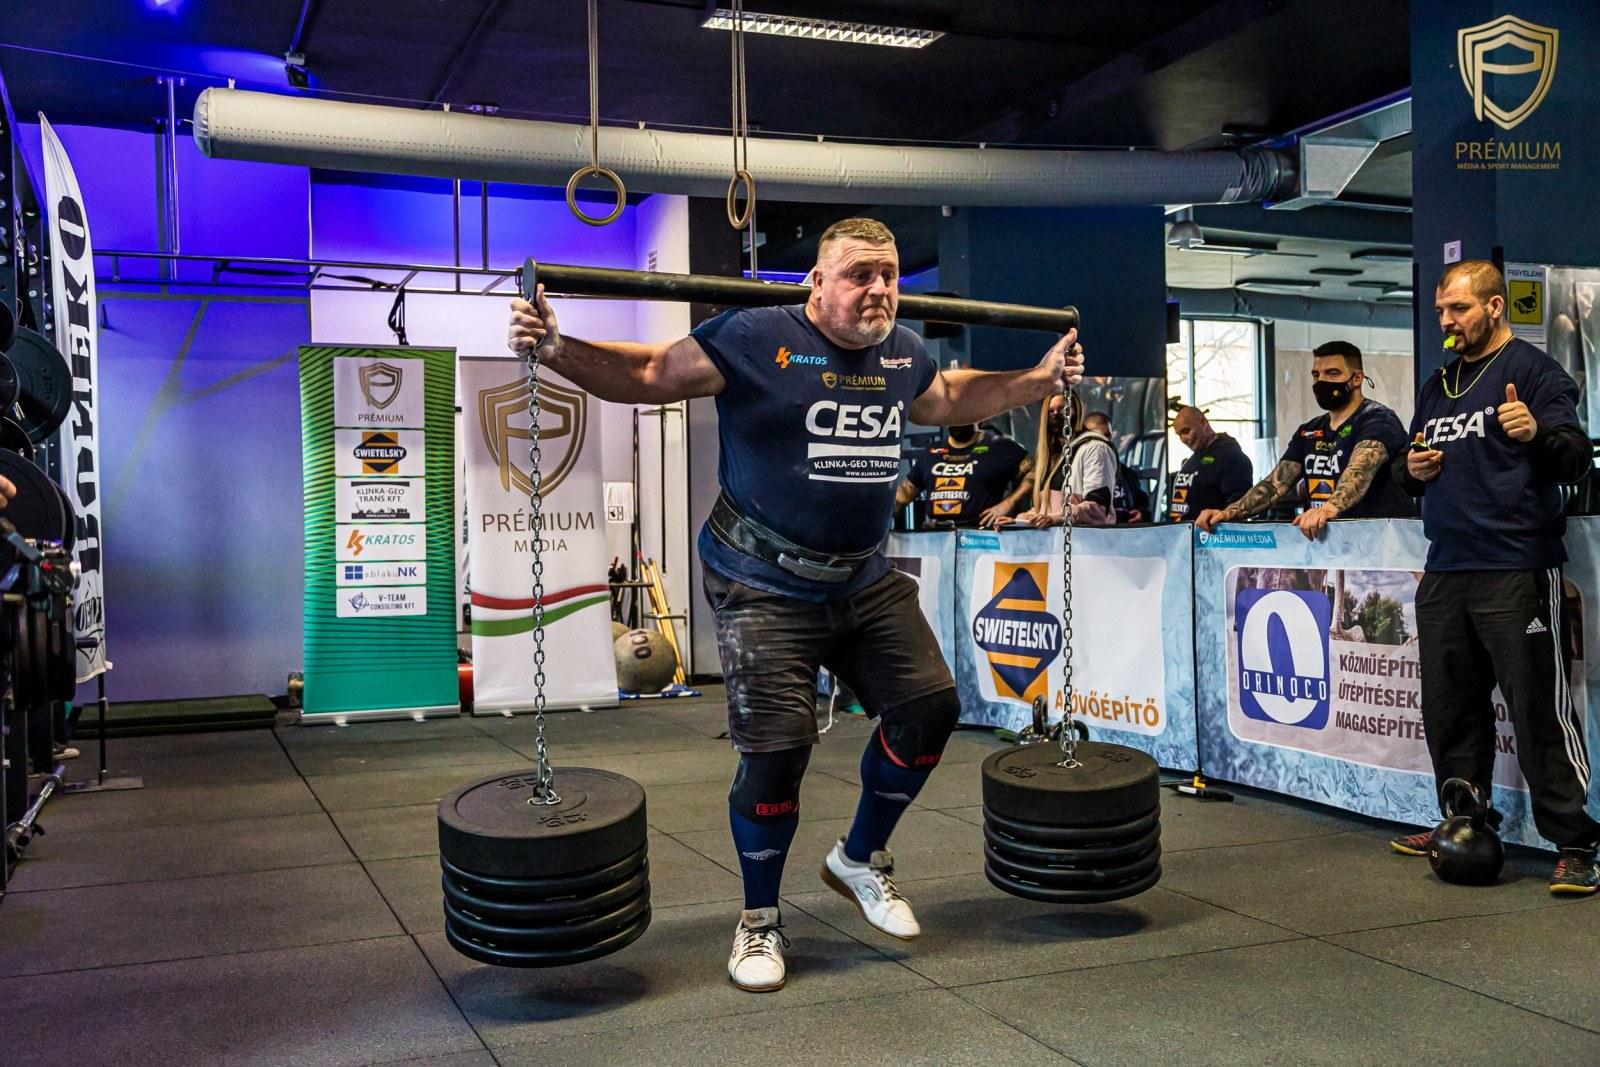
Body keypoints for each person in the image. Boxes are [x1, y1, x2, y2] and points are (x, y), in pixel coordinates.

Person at [506, 217, 1085, 990]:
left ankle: (858, 858)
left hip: (861, 578)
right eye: (859, 274)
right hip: (761, 578)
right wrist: (555, 347)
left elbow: (947, 395)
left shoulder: (902, 350)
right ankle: (758, 919)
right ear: (816, 281)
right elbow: (648, 373)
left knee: (929, 708)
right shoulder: (754, 336)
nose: (879, 288)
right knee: (777, 751)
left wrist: (1039, 380)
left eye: (889, 275)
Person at [1389, 259, 1598, 894]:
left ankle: (1577, 843)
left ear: (1495, 307)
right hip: (1446, 568)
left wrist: (1535, 433)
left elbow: (1574, 457)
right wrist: (1411, 470)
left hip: (1515, 566)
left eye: (1458, 309)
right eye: (1441, 311)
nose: (1446, 322)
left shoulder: (1535, 372)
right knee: (1449, 708)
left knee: (1537, 710)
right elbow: (1405, 468)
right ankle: (1464, 819)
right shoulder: (1439, 383)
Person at [1194, 341, 1412, 540]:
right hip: (1331, 545)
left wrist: (1328, 509)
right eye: (1316, 375)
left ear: (1356, 379)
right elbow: (1275, 485)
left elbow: (1359, 472)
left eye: (1333, 373)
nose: (1321, 381)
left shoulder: (1378, 419)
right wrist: (1228, 513)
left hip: (1383, 543)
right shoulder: (1310, 431)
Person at [896, 422, 1029, 527]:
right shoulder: (931, 452)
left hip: (983, 538)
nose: (957, 420)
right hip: (938, 538)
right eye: (952, 415)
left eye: (961, 415)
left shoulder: (999, 447)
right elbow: (903, 495)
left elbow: (1035, 471)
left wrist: (1010, 503)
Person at [1016, 393, 1117, 527]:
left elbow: (1098, 507)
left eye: (1063, 409)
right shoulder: (1053, 458)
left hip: (1082, 537)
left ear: (1076, 411)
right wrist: (1018, 522)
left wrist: (1057, 518)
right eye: (1051, 411)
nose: (1056, 415)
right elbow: (1046, 511)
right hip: (1054, 537)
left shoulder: (1095, 449)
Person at [1168, 406, 1253, 522]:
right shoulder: (1194, 459)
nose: (1183, 439)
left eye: (1186, 431)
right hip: (1182, 531)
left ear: (1202, 422)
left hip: (1212, 531)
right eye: (1179, 435)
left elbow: (1238, 507)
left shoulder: (1231, 457)